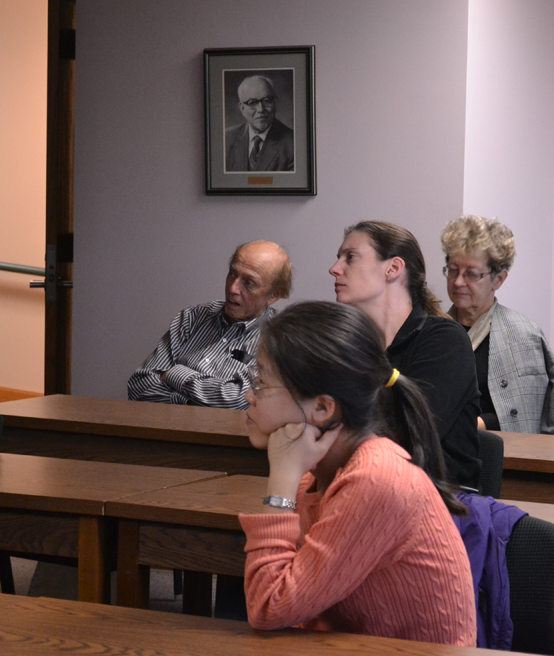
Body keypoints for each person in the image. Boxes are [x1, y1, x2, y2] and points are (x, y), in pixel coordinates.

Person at [239, 301, 476, 645]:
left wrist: (282, 480)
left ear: (321, 407)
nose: (249, 395)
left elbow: (269, 606)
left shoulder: (375, 478)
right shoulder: (319, 474)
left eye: (261, 382)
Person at [329, 221, 481, 490]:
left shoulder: (445, 341)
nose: (335, 269)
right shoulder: (349, 344)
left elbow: (409, 436)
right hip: (362, 488)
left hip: (435, 505)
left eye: (350, 257)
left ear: (393, 268)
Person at [440, 215, 554, 435]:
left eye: (471, 274)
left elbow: (530, 415)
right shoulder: (431, 331)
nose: (458, 282)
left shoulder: (524, 336)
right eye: (453, 270)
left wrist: (477, 425)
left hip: (504, 460)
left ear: (499, 279)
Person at [127, 240, 291, 409]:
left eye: (248, 283)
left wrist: (172, 374)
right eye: (232, 274)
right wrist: (189, 403)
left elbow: (239, 400)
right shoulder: (192, 318)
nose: (233, 289)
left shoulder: (278, 338)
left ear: (274, 295)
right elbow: (139, 385)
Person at [224, 75, 295, 172]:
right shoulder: (226, 139)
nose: (261, 109)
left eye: (267, 101)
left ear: (275, 103)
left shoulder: (293, 144)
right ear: (242, 108)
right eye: (252, 102)